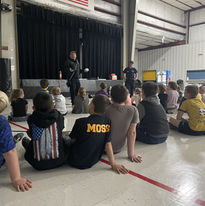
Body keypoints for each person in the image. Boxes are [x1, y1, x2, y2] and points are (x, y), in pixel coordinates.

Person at [67, 94, 129, 174]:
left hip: (75, 160)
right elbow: (108, 143)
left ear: (92, 105)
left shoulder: (80, 122)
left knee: (64, 139)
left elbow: (72, 141)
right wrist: (113, 164)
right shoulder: (107, 121)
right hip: (93, 160)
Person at [22, 92, 70, 170]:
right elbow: (61, 128)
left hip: (37, 164)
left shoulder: (31, 119)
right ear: (53, 106)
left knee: (30, 134)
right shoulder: (59, 116)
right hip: (59, 160)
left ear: (33, 108)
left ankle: (28, 145)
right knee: (64, 139)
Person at [0, 91, 32, 192]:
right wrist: (16, 178)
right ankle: (11, 141)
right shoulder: (2, 123)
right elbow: (10, 153)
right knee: (7, 147)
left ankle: (10, 141)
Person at [105, 85, 142, 163]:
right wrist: (130, 154)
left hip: (103, 148)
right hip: (119, 148)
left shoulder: (105, 109)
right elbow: (131, 133)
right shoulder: (133, 110)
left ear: (111, 98)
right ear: (126, 98)